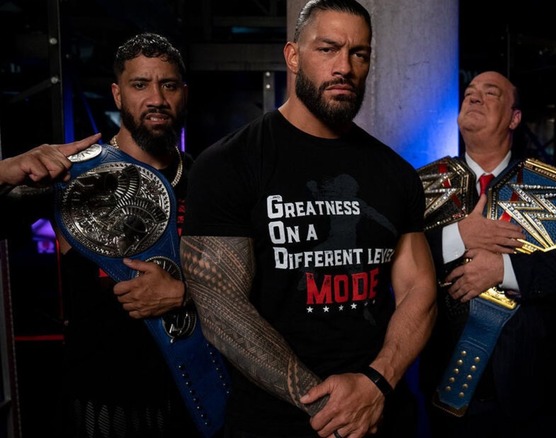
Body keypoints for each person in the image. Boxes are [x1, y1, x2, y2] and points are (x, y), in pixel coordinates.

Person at [179, 1, 437, 437]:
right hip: (276, 421)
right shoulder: (229, 164)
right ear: (293, 56)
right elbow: (223, 310)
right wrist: (332, 408)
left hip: (380, 413)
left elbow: (418, 287)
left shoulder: (395, 173)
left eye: (359, 53)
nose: (345, 67)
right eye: (328, 49)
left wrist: (376, 382)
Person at [0, 32, 200, 437]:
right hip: (98, 406)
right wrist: (5, 170)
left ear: (184, 93)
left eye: (169, 85)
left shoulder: (208, 179)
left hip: (193, 396)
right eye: (140, 84)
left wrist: (185, 293)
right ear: (117, 93)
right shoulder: (72, 175)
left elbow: (248, 281)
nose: (156, 98)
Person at [416, 70, 556, 437]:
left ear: (515, 117)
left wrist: (504, 269)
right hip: (441, 386)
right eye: (469, 93)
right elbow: (397, 262)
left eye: (491, 93)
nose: (475, 97)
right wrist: (460, 235)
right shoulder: (421, 185)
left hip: (531, 391)